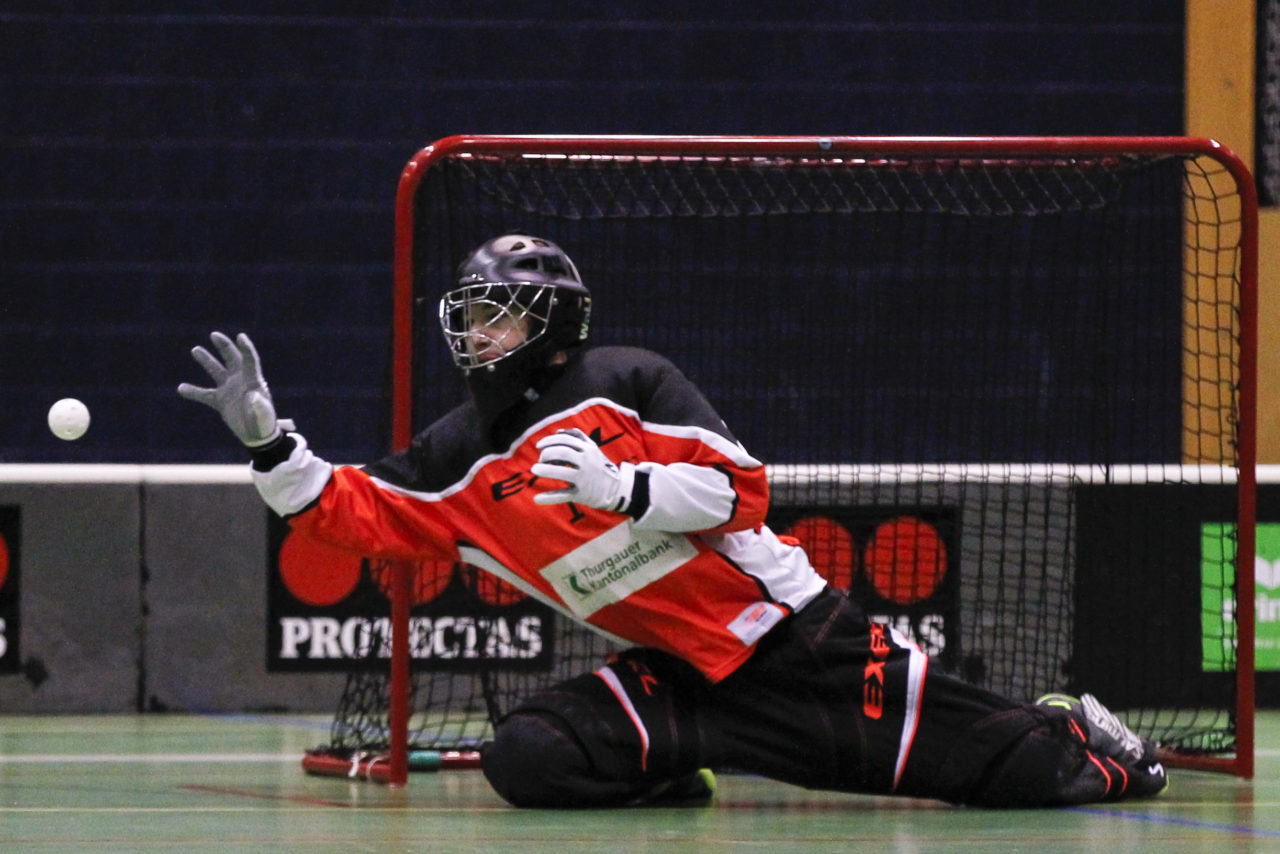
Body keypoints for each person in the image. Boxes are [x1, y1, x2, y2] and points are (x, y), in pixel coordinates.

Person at [179, 233, 1168, 808]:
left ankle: (1079, 729)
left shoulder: (627, 379)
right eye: (470, 314)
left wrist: (624, 488)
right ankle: (678, 762)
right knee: (528, 756)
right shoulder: (456, 456)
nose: (476, 333)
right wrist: (270, 444)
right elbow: (348, 510)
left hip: (794, 641)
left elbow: (741, 490)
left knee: (1023, 773)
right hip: (677, 678)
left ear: (551, 324)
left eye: (498, 313)